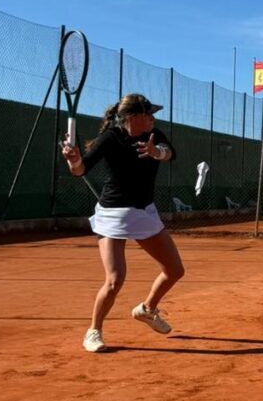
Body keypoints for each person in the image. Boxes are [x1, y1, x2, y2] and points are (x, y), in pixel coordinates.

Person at [61, 94, 185, 353]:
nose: (153, 118)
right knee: (115, 279)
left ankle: (147, 310)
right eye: (148, 114)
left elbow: (171, 154)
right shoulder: (111, 138)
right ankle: (93, 331)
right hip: (113, 215)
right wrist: (73, 159)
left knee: (174, 270)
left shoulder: (155, 134)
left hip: (144, 213)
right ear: (133, 117)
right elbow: (81, 170)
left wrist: (156, 152)